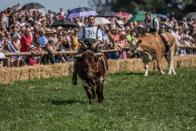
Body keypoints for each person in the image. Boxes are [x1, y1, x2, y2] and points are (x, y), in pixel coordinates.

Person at [72, 15, 105, 85]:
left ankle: (104, 74)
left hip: (94, 46)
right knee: (76, 59)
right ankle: (74, 76)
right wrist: (83, 44)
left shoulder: (98, 29)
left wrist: (95, 44)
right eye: (90, 19)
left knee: (102, 58)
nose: (91, 20)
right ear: (87, 20)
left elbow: (99, 40)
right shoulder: (83, 29)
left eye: (92, 19)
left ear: (94, 20)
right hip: (85, 46)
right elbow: (79, 39)